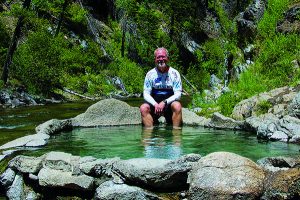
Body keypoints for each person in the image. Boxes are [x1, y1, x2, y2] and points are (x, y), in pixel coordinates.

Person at [140, 47, 182, 129]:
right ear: (155, 59)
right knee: (143, 108)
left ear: (168, 58)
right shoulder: (150, 74)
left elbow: (178, 94)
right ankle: (148, 134)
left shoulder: (175, 73)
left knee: (177, 106)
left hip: (169, 106)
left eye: (163, 57)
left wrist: (164, 102)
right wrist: (155, 104)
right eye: (158, 57)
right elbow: (146, 94)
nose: (161, 59)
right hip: (154, 106)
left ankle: (176, 135)